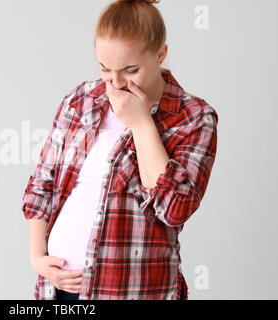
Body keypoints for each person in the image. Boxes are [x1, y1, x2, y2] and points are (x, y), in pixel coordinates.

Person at [22, 0, 218, 300]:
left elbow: (175, 208)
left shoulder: (192, 117)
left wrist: (141, 124)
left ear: (160, 54)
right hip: (59, 290)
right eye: (105, 68)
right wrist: (38, 259)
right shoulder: (81, 100)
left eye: (130, 70)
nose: (115, 82)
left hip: (136, 291)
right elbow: (42, 184)